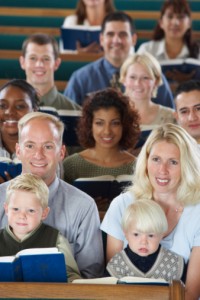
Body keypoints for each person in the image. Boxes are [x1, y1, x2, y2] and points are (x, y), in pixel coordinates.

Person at [101, 123, 200, 299]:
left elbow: (191, 293)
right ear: (145, 161)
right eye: (156, 159)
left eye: (173, 162)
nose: (162, 170)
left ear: (186, 165)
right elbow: (113, 280)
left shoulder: (197, 212)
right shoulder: (122, 205)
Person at [0, 111, 104, 279]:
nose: (38, 155)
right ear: (18, 150)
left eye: (48, 146)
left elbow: (91, 276)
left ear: (61, 152)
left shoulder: (83, 206)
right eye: (30, 145)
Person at [64, 11, 174, 109]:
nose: (116, 40)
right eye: (110, 34)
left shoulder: (152, 76)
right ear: (101, 39)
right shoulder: (80, 79)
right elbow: (69, 122)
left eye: (123, 34)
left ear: (134, 39)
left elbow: (169, 120)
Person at [63, 88, 140, 210]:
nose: (107, 131)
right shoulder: (70, 166)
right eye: (99, 123)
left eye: (115, 123)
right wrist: (88, 208)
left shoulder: (138, 167)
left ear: (124, 126)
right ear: (90, 125)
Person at [2, 173, 81, 282]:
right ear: (6, 209)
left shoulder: (57, 240)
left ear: (44, 213)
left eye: (31, 210)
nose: (22, 216)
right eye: (15, 209)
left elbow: (72, 277)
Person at [106, 199, 186, 282]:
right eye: (136, 234)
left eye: (151, 235)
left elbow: (182, 293)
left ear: (161, 234)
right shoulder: (116, 264)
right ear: (125, 233)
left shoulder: (175, 264)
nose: (144, 242)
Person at [120, 52, 176, 152]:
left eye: (145, 78)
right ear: (124, 79)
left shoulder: (172, 116)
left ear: (156, 81)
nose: (137, 83)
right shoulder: (113, 115)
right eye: (132, 77)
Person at [19, 33, 81, 110]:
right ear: (22, 62)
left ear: (56, 63)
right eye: (33, 58)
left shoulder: (76, 112)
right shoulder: (5, 110)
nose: (39, 64)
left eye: (46, 58)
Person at [0, 79, 39, 182]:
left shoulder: (49, 149)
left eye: (20, 106)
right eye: (2, 106)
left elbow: (54, 195)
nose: (9, 112)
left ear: (34, 111)